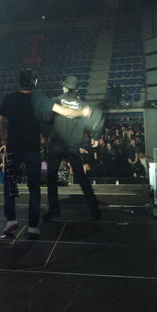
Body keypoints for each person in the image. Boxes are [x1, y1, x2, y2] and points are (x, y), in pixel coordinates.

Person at [0, 69, 88, 239]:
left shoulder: (10, 98)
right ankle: (32, 226)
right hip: (32, 149)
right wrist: (82, 112)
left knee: (10, 185)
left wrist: (3, 137)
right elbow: (65, 112)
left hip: (14, 148)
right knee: (34, 188)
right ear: (35, 82)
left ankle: (10, 220)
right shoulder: (40, 99)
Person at [44, 76, 105, 222]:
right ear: (77, 89)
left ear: (64, 87)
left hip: (56, 145)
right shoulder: (83, 105)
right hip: (72, 146)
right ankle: (94, 210)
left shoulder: (55, 101)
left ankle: (53, 211)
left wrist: (47, 134)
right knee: (82, 178)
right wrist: (95, 137)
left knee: (51, 178)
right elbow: (98, 118)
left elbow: (45, 118)